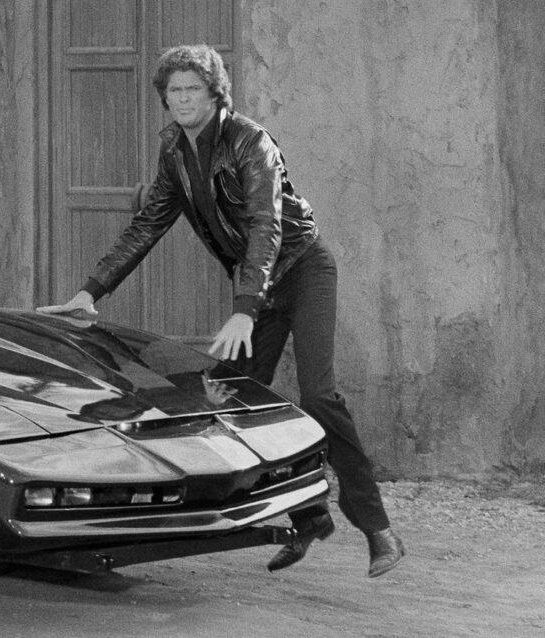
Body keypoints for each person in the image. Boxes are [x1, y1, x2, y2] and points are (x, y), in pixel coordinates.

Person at [37, 43, 404, 577]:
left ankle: (378, 529)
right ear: (165, 98)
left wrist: (245, 309)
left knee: (318, 396)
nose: (184, 99)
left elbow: (265, 226)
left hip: (302, 268)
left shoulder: (251, 141)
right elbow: (147, 225)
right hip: (255, 284)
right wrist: (90, 291)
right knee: (232, 399)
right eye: (175, 91)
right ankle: (308, 517)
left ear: (215, 95)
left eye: (194, 89)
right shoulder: (175, 150)